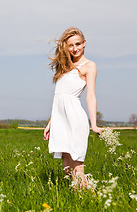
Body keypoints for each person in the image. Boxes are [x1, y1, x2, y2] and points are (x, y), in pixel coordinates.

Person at [43, 27, 102, 189]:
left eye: (78, 44)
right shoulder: (64, 66)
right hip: (60, 120)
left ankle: (90, 198)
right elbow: (59, 97)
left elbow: (90, 96)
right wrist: (51, 122)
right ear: (65, 47)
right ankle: (83, 197)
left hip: (74, 118)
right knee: (67, 168)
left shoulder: (89, 66)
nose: (75, 48)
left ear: (84, 43)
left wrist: (94, 124)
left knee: (77, 166)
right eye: (70, 45)